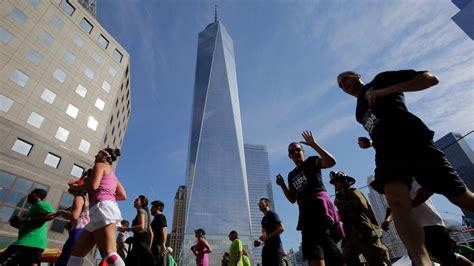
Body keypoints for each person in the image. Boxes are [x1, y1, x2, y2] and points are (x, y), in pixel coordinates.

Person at [337, 70, 474, 266]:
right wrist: (370, 142)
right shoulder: (359, 112)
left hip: (414, 142)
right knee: (396, 202)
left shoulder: (380, 81)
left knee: (461, 197)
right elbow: (383, 127)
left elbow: (430, 78)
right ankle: (421, 261)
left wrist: (388, 90)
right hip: (387, 155)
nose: (343, 85)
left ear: (357, 75)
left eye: (345, 79)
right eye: (340, 85)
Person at [276, 131, 344, 266]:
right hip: (305, 211)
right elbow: (292, 199)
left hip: (319, 206)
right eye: (292, 152)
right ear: (290, 156)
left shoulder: (312, 161)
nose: (295, 152)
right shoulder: (291, 175)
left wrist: (313, 144)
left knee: (325, 239)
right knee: (311, 248)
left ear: (303, 151)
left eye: (298, 149)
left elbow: (331, 162)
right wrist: (282, 185)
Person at [382, 180, 473, 266]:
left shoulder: (411, 179)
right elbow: (393, 209)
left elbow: (426, 192)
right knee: (417, 259)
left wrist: (408, 206)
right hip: (412, 230)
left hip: (430, 225)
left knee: (447, 257)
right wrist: (387, 220)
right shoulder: (393, 190)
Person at [66, 148, 127, 266]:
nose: (95, 157)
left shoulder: (100, 165)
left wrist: (76, 188)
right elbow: (123, 195)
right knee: (76, 253)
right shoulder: (113, 175)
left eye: (97, 155)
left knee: (109, 253)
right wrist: (108, 196)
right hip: (100, 209)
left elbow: (93, 186)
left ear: (104, 157)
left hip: (102, 209)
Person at [329, 171, 390, 265]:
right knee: (348, 259)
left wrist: (340, 203)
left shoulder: (353, 191)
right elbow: (344, 217)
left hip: (364, 232)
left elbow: (360, 205)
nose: (335, 184)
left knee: (377, 261)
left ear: (344, 181)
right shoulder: (341, 197)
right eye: (333, 183)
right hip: (350, 234)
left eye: (337, 181)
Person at [0, 188, 54, 265]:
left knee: (3, 261)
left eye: (31, 193)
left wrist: (25, 220)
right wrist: (16, 223)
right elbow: (28, 224)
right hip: (30, 243)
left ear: (37, 195)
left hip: (29, 242)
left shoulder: (42, 204)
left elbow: (50, 216)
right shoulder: (30, 209)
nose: (29, 195)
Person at [55, 176, 91, 266]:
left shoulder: (79, 198)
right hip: (84, 230)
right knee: (73, 259)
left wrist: (60, 212)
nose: (69, 187)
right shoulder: (86, 200)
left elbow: (74, 216)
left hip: (79, 230)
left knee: (65, 258)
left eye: (71, 185)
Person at [121, 195, 154, 266]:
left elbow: (141, 227)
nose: (134, 201)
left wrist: (126, 229)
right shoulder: (146, 214)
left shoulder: (141, 211)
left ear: (142, 203)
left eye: (137, 200)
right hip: (142, 242)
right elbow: (151, 233)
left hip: (139, 242)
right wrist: (149, 248)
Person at [254, 198, 284, 266]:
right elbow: (265, 236)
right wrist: (260, 241)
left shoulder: (272, 214)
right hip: (266, 251)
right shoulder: (263, 220)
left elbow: (281, 228)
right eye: (259, 203)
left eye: (261, 203)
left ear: (267, 204)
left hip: (275, 250)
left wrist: (268, 237)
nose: (259, 204)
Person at [150, 200, 168, 266]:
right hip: (154, 247)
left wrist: (163, 244)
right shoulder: (156, 218)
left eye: (152, 207)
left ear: (158, 207)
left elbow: (164, 229)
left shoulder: (160, 216)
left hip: (157, 248)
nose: (150, 209)